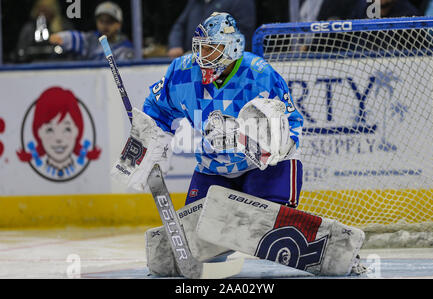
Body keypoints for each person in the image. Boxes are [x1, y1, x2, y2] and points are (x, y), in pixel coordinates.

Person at [112, 12, 366, 277]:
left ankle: (338, 254)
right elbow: (156, 109)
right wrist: (148, 145)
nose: (203, 56)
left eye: (213, 49)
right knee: (196, 238)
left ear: (232, 47)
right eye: (201, 48)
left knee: (267, 227)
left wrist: (245, 138)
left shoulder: (258, 74)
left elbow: (292, 125)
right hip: (213, 168)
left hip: (264, 167)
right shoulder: (182, 71)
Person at [167, 0, 256, 58]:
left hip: (227, 63)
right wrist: (175, 45)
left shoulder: (240, 2)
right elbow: (179, 26)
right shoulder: (194, 2)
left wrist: (214, 44)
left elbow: (243, 29)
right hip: (193, 60)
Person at [49, 2, 134, 61]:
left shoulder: (126, 47)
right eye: (101, 21)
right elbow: (72, 37)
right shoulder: (90, 40)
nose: (105, 25)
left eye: (110, 21)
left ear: (118, 24)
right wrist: (60, 38)